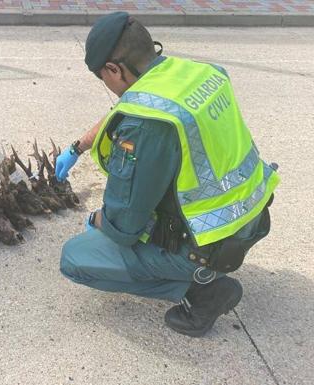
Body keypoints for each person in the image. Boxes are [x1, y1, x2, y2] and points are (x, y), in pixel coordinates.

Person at [56, 12, 279, 337]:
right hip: (252, 216)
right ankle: (201, 274)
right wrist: (78, 147)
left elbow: (124, 225)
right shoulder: (198, 73)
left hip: (209, 247)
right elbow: (122, 111)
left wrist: (97, 220)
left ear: (114, 69)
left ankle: (203, 292)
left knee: (76, 257)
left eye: (101, 76)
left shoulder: (146, 125)